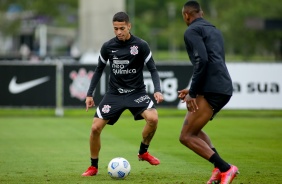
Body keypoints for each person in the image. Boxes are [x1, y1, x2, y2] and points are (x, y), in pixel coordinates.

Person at [82, 11, 164, 176]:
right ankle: (93, 166)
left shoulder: (141, 45)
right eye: (115, 29)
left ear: (129, 26)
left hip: (137, 93)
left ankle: (143, 152)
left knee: (153, 119)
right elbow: (98, 70)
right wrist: (90, 94)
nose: (119, 32)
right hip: (114, 94)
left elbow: (153, 70)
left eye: (122, 28)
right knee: (95, 128)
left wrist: (157, 90)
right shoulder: (108, 47)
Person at [178, 1, 239, 184]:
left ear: (186, 15)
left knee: (186, 136)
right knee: (195, 131)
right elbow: (213, 62)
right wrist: (194, 89)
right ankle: (218, 169)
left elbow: (202, 61)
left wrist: (194, 93)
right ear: (201, 13)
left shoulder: (191, 31)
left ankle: (226, 168)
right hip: (220, 85)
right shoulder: (214, 30)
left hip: (213, 89)